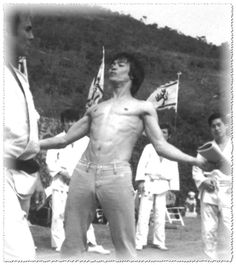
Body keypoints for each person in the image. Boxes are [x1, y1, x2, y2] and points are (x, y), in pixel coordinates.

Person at [40, 52, 206, 259]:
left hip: (116, 175)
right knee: (72, 241)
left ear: (132, 75)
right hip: (83, 172)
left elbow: (161, 146)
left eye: (120, 65)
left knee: (125, 244)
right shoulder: (96, 108)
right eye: (113, 64)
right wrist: (28, 145)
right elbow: (63, 139)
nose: (113, 67)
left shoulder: (143, 107)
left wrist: (194, 160)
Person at [3, 8, 45, 260]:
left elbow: (23, 136)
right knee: (22, 254)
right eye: (27, 29)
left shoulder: (17, 76)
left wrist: (35, 172)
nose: (32, 36)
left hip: (22, 174)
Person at [45, 109, 110, 254]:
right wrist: (64, 173)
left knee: (84, 214)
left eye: (74, 121)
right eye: (67, 121)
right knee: (59, 214)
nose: (71, 124)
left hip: (80, 183)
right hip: (60, 183)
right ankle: (59, 243)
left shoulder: (86, 141)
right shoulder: (56, 139)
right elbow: (50, 163)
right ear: (63, 122)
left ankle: (90, 242)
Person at [192, 113, 231, 259]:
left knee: (230, 227)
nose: (216, 128)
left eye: (219, 125)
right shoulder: (206, 148)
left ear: (226, 126)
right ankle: (210, 259)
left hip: (229, 189)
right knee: (208, 230)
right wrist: (203, 181)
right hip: (209, 190)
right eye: (213, 126)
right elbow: (196, 169)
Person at [135, 123, 179, 251]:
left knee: (160, 214)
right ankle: (140, 241)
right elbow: (141, 165)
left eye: (164, 132)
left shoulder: (172, 150)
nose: (161, 134)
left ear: (169, 135)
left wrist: (172, 189)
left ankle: (159, 241)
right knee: (144, 213)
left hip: (164, 184)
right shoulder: (149, 147)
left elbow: (174, 171)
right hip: (149, 181)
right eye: (160, 131)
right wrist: (141, 181)